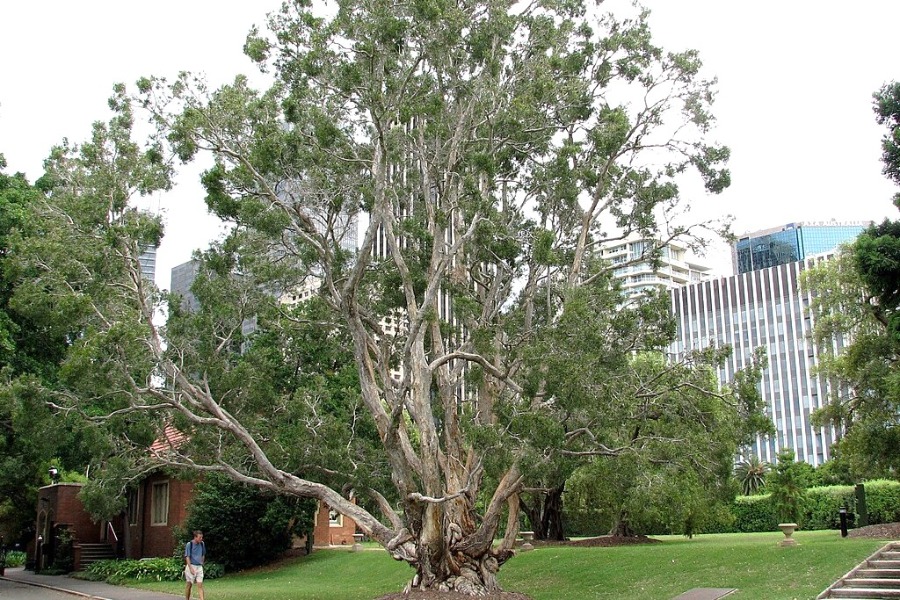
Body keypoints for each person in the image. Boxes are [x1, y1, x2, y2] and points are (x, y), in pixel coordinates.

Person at [184, 530, 206, 600]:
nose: (201, 539)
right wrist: (190, 568)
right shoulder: (189, 544)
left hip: (199, 566)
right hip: (191, 565)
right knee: (189, 585)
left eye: (201, 537)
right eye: (199, 537)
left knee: (200, 585)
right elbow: (187, 556)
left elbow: (203, 554)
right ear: (195, 537)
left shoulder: (202, 544)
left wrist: (202, 562)